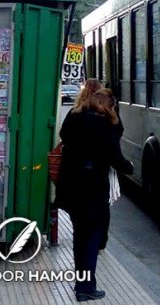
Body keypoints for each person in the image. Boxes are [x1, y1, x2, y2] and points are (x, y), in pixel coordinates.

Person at [57, 88, 133, 302]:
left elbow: (63, 137)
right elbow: (117, 158)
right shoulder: (105, 125)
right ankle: (86, 287)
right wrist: (130, 167)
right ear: (108, 106)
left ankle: (80, 283)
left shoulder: (73, 117)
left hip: (70, 188)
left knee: (79, 237)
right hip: (92, 190)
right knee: (92, 238)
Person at [71, 79, 122, 251]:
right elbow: (116, 141)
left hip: (77, 174)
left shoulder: (75, 113)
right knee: (102, 207)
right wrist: (126, 167)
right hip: (99, 174)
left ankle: (82, 240)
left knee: (81, 210)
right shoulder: (108, 120)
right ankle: (100, 242)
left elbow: (65, 135)